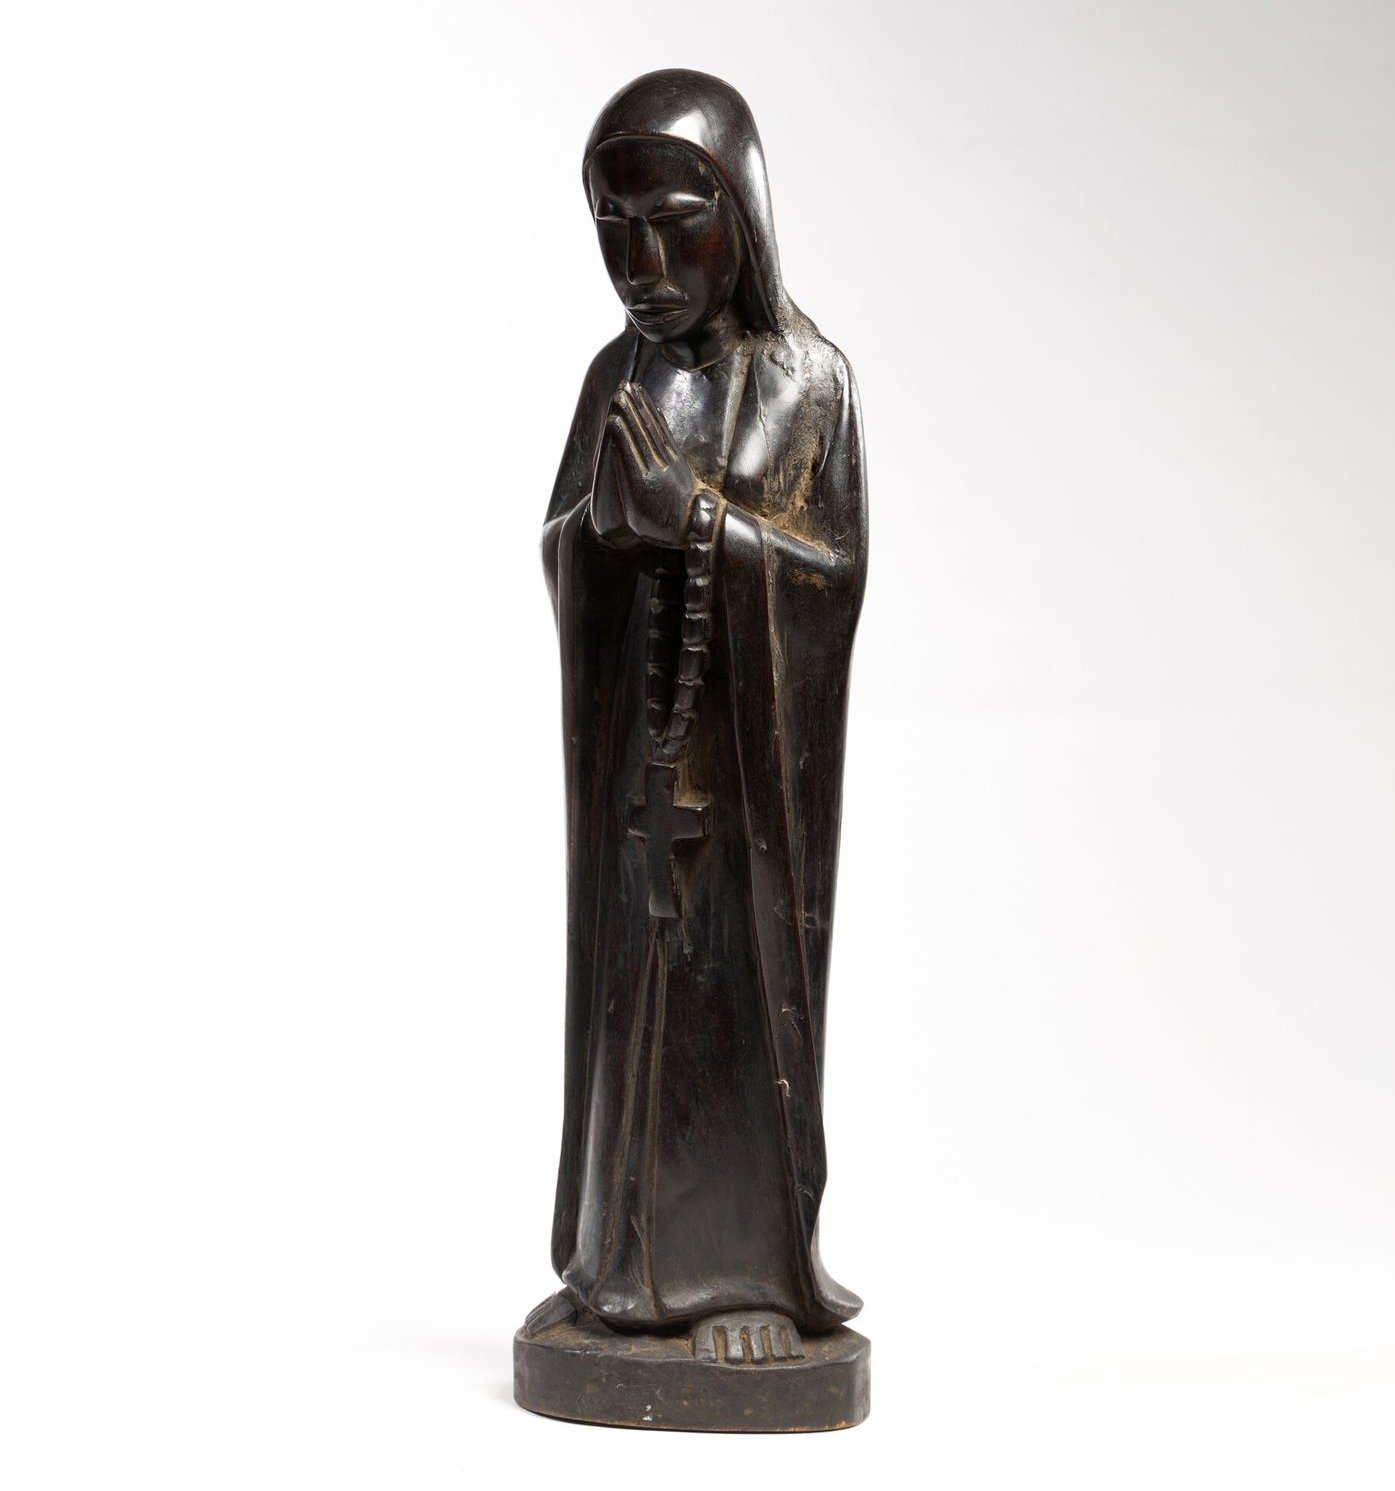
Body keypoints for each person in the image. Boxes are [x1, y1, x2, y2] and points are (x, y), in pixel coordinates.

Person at [534, 68, 867, 1365]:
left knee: (731, 1001)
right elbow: (566, 547)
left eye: (676, 227)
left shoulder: (810, 384)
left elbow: (831, 582)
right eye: (614, 233)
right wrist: (604, 541)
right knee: (632, 1001)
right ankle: (615, 1267)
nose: (645, 268)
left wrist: (703, 526)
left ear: (743, 216)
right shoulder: (614, 379)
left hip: (745, 793)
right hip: (640, 770)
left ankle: (748, 1274)